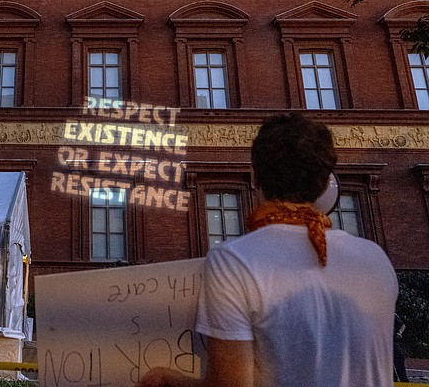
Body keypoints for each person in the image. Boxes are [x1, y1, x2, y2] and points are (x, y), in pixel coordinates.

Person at [137, 113, 398, 387]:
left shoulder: (234, 262)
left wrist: (168, 380)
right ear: (324, 183)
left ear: (257, 176)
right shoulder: (376, 259)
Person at [394, 313, 408, 382]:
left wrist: (399, 333)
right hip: (381, 344)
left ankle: (404, 382)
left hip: (393, 341)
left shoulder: (391, 314)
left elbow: (402, 325)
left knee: (399, 361)